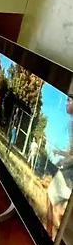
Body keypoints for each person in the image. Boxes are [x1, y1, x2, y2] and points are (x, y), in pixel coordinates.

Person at [45, 86, 73, 236]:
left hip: (69, 176)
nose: (66, 103)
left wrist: (63, 162)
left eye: (69, 100)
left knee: (53, 202)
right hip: (68, 173)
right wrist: (61, 154)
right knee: (55, 204)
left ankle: (49, 235)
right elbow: (71, 152)